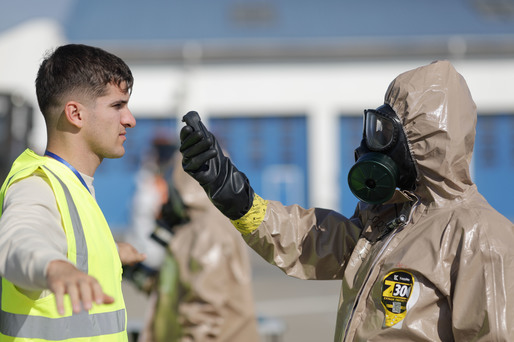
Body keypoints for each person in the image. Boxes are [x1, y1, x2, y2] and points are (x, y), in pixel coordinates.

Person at [178, 60, 514, 341]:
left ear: (425, 144)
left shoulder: (480, 236)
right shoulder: (388, 219)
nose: (370, 146)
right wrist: (237, 197)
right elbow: (313, 240)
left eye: (384, 134)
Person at [0, 44, 146, 341]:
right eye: (117, 106)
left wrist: (110, 252)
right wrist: (54, 268)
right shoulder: (36, 184)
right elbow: (18, 241)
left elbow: (64, 240)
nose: (130, 119)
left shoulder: (74, 186)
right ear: (75, 114)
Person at [124, 140, 260, 342]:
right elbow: (184, 289)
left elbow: (205, 316)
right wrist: (142, 276)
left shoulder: (207, 231)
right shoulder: (191, 227)